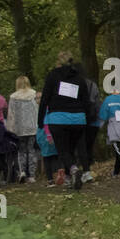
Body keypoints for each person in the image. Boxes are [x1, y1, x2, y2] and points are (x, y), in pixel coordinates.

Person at [39, 53, 92, 191]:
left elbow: (45, 98)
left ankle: (73, 170)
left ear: (59, 62)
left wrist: (40, 120)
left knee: (63, 150)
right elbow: (86, 101)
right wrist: (87, 119)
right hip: (78, 119)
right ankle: (69, 179)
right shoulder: (80, 78)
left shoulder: (52, 76)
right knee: (70, 149)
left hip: (58, 119)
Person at [6, 75, 40, 183]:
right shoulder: (34, 94)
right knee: (31, 150)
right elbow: (38, 110)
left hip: (19, 128)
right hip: (32, 126)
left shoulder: (13, 97)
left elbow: (11, 114)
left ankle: (22, 172)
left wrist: (10, 128)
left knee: (21, 151)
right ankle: (32, 175)